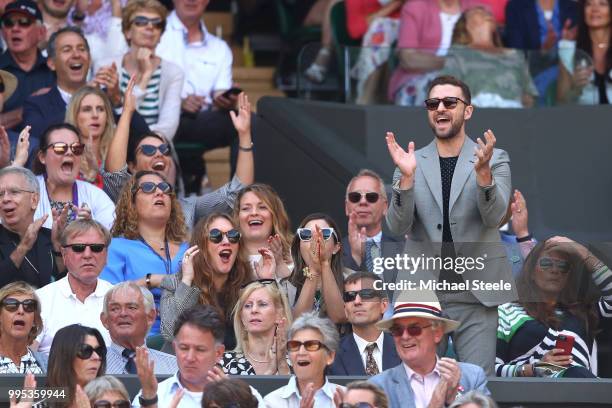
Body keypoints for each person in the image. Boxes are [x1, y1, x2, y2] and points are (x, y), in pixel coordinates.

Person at [385, 75, 515, 375]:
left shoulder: (494, 159)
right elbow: (395, 225)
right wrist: (405, 180)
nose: (440, 108)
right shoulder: (409, 161)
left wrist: (484, 177)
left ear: (467, 111)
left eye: (449, 102)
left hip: (476, 294)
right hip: (423, 292)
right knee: (417, 382)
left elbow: (496, 218)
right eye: (433, 103)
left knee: (476, 386)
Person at [106, 91, 255, 228]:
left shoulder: (188, 207)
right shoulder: (125, 198)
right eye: (148, 150)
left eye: (165, 150)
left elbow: (237, 192)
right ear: (132, 166)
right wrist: (126, 113)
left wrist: (244, 135)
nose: (159, 154)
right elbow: (115, 171)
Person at [156, 0, 243, 194]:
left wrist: (226, 99)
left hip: (201, 120)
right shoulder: (155, 32)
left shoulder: (219, 48)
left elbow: (220, 91)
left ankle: (238, 199)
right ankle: (195, 177)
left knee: (247, 122)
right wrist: (177, 102)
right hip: (161, 117)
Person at [496, 236, 612, 378]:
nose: (555, 270)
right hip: (530, 395)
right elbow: (491, 371)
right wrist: (534, 368)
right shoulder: (506, 311)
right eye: (546, 263)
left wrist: (582, 252)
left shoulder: (583, 311)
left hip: (583, 391)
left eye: (563, 266)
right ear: (531, 271)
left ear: (569, 276)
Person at [22, 26, 150, 141]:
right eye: (67, 50)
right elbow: (35, 137)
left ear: (89, 59)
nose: (76, 54)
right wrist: (80, 100)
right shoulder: (36, 104)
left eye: (81, 49)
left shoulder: (106, 97)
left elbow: (143, 137)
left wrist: (117, 100)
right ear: (51, 63)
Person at [101, 170, 189, 336]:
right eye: (148, 188)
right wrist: (150, 281)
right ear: (132, 203)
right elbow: (107, 300)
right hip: (138, 340)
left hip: (186, 340)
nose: (159, 192)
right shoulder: (116, 247)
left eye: (164, 188)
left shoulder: (189, 249)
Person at [132, 305, 264, 407]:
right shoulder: (152, 395)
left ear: (218, 353)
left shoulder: (245, 397)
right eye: (183, 348)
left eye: (200, 350)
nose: (190, 357)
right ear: (174, 348)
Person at [370, 300, 490, 408]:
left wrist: (453, 400)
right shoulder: (379, 387)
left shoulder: (472, 377)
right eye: (397, 330)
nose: (405, 336)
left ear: (437, 333)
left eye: (414, 329)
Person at [160, 212, 254, 349]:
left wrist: (267, 281)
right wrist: (187, 281)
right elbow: (170, 332)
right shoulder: (175, 284)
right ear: (201, 246)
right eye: (216, 236)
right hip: (190, 367)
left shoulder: (247, 286)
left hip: (234, 367)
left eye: (233, 235)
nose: (226, 242)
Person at [95, 0, 183, 141]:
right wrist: (143, 79)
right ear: (127, 31)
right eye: (141, 21)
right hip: (112, 148)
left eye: (157, 24)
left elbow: (167, 128)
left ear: (161, 34)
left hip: (156, 150)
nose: (150, 26)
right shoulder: (106, 66)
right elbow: (103, 124)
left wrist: (146, 74)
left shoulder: (173, 72)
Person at [35, 219, 113, 354]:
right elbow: (24, 356)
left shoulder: (120, 299)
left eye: (96, 248)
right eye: (78, 248)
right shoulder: (41, 300)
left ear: (106, 255)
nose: (88, 255)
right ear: (64, 255)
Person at [389, 0, 485, 105]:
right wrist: (452, 62)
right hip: (420, 76)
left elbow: (487, 52)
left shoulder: (477, 9)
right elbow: (407, 59)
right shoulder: (416, 7)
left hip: (469, 76)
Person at [441, 6, 538, 107]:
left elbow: (529, 95)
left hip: (513, 116)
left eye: (487, 12)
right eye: (478, 11)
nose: (487, 13)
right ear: (466, 25)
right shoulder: (458, 53)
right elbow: (447, 91)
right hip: (476, 116)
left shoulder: (515, 55)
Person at [31, 123, 116, 230]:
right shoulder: (27, 192)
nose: (70, 152)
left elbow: (114, 238)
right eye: (60, 148)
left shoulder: (96, 196)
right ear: (42, 157)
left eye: (76, 148)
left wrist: (92, 229)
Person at [0, 166, 66, 287]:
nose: (5, 199)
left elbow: (64, 284)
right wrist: (24, 246)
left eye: (14, 192)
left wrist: (58, 248)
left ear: (34, 200)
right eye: (0, 194)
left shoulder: (50, 237)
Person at [263, 312, 344, 407]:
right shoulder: (272, 402)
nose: (301, 352)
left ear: (330, 356)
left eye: (311, 345)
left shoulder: (348, 399)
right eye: (294, 345)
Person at [330, 272, 400, 375]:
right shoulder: (331, 354)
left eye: (366, 295)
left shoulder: (403, 348)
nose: (357, 301)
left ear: (384, 305)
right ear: (345, 310)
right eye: (350, 296)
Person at [101, 282, 178, 375]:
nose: (123, 313)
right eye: (115, 309)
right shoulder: (91, 365)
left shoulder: (174, 367)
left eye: (132, 307)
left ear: (150, 316)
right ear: (105, 320)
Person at [0, 0, 54, 128]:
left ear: (41, 32)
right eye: (9, 23)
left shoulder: (54, 71)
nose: (15, 28)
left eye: (24, 22)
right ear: (3, 32)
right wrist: (28, 108)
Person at [222, 279, 292, 375]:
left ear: (279, 314)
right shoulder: (225, 363)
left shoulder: (297, 362)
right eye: (248, 306)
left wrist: (282, 365)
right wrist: (270, 372)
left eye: (262, 304)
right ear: (241, 317)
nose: (254, 310)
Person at [343, 169, 400, 284]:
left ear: (385, 207)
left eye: (371, 197)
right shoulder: (332, 251)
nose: (363, 202)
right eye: (355, 197)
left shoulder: (403, 250)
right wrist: (355, 258)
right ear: (346, 207)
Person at [287, 213, 346, 323]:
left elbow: (339, 318)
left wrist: (324, 263)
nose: (316, 240)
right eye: (306, 235)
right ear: (299, 247)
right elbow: (296, 324)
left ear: (336, 247)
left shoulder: (351, 280)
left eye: (324, 234)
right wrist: (313, 270)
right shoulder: (286, 285)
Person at [557, 0, 612, 104]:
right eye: (589, 4)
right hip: (585, 118)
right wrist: (575, 89)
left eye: (602, 4)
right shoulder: (568, 50)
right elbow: (561, 102)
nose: (595, 9)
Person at [234, 183, 293, 279]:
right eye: (246, 208)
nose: (254, 213)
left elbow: (297, 293)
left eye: (262, 207)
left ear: (275, 215)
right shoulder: (228, 255)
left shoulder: (295, 254)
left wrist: (279, 263)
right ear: (238, 216)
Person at [46, 324, 106, 408]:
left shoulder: (113, 401)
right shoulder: (40, 402)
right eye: (85, 351)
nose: (96, 357)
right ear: (65, 356)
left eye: (99, 351)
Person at [0, 281, 47, 373]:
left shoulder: (46, 364)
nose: (21, 311)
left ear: (34, 320)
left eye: (29, 306)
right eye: (12, 305)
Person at [504, 0, 577, 50]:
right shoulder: (515, 7)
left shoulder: (574, 7)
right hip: (530, 70)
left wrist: (566, 45)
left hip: (568, 69)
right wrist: (543, 52)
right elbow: (517, 54)